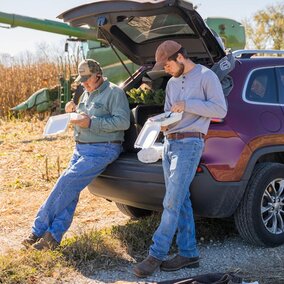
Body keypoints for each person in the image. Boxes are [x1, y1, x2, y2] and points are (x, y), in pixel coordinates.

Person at [133, 40, 227, 277]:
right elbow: (170, 113)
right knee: (181, 199)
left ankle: (156, 253)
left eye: (167, 65)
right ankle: (189, 253)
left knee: (172, 201)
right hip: (170, 143)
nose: (165, 70)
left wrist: (189, 105)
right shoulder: (172, 84)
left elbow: (220, 109)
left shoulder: (207, 76)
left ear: (180, 58)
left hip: (190, 144)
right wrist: (160, 124)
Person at [22, 59, 130, 250]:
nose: (84, 83)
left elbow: (123, 123)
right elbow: (82, 116)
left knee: (65, 183)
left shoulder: (115, 93)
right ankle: (52, 238)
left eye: (87, 79)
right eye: (82, 80)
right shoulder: (85, 94)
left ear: (98, 74)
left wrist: (90, 123)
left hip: (103, 148)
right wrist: (71, 111)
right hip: (81, 148)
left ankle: (37, 230)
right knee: (70, 192)